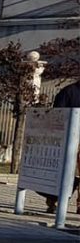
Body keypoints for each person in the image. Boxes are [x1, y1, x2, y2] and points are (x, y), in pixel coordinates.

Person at [42, 79, 80, 215]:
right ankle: (54, 201)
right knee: (67, 173)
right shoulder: (68, 92)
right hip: (70, 139)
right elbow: (57, 114)